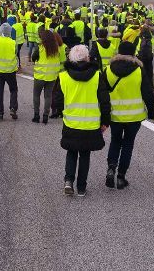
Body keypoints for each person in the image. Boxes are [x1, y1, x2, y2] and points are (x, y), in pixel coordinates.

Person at [103, 41, 154, 189]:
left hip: (115, 115)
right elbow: (148, 93)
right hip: (134, 116)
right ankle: (121, 176)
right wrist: (152, 111)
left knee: (115, 141)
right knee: (128, 144)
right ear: (134, 53)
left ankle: (111, 168)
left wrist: (103, 114)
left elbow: (102, 94)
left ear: (119, 52)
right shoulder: (139, 70)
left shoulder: (108, 69)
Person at [60, 45, 111, 196]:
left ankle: (69, 180)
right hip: (90, 124)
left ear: (71, 58)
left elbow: (56, 100)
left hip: (71, 122)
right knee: (85, 154)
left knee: (71, 152)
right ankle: (81, 187)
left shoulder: (63, 76)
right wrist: (105, 121)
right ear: (87, 58)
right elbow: (105, 101)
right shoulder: (97, 76)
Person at [31, 29, 60, 124]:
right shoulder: (56, 49)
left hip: (39, 76)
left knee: (36, 95)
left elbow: (33, 57)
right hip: (52, 76)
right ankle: (45, 116)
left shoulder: (40, 48)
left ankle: (36, 115)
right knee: (48, 96)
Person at [0, 23, 19, 120]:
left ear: (0, 31)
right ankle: (13, 108)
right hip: (10, 70)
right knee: (13, 89)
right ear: (9, 32)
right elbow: (16, 54)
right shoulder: (13, 42)